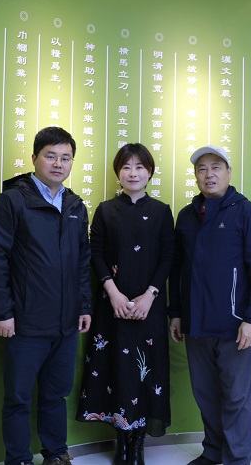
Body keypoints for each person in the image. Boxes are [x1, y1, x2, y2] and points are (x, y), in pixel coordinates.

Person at [0, 126, 92, 465]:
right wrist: (3, 312)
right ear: (34, 158)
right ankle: (18, 459)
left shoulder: (75, 205)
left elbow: (83, 261)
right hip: (25, 322)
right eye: (51, 156)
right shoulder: (11, 202)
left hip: (66, 323)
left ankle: (56, 453)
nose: (58, 164)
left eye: (66, 158)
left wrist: (84, 305)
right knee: (18, 399)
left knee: (56, 395)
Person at [168, 145, 251, 465]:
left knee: (236, 396)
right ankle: (213, 453)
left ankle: (237, 459)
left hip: (234, 324)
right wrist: (176, 313)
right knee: (205, 394)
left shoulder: (248, 212)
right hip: (196, 323)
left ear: (229, 172)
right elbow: (177, 268)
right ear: (195, 176)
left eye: (216, 167)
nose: (209, 174)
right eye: (201, 169)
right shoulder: (187, 216)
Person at [76, 143, 174, 465]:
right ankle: (121, 440)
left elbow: (168, 256)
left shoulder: (161, 211)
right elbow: (96, 253)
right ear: (118, 173)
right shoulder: (105, 210)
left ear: (150, 172)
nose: (133, 173)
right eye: (126, 167)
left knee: (147, 371)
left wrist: (150, 295)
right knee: (116, 370)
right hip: (112, 305)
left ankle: (139, 441)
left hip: (149, 307)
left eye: (139, 167)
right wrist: (113, 293)